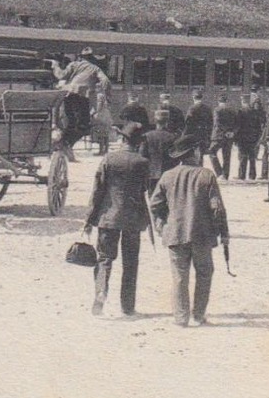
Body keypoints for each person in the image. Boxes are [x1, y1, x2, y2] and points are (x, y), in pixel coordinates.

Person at [149, 133, 229, 328]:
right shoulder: (206, 175)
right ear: (194, 152)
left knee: (179, 276)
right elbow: (217, 208)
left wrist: (161, 224)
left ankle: (181, 317)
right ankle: (198, 315)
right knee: (204, 273)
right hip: (201, 234)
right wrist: (224, 233)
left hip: (175, 234)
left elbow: (154, 205)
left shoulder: (167, 176)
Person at [82, 121, 151, 317]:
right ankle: (127, 307)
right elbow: (144, 188)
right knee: (131, 262)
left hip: (108, 217)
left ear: (122, 139)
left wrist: (89, 219)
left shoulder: (109, 159)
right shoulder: (142, 162)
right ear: (138, 143)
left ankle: (101, 292)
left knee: (104, 258)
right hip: (133, 219)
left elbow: (98, 190)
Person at [50, 47, 112, 157]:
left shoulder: (74, 65)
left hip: (68, 95)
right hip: (82, 96)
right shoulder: (95, 68)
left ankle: (64, 143)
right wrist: (105, 94)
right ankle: (66, 143)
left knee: (72, 123)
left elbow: (61, 75)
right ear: (91, 58)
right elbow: (105, 81)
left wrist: (55, 66)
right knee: (84, 126)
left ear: (80, 57)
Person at [141, 107, 178, 194]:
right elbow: (176, 157)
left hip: (151, 173)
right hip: (168, 173)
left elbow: (142, 155)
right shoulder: (173, 137)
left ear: (155, 120)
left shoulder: (147, 136)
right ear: (167, 122)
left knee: (153, 199)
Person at [234, 93, 263, 181]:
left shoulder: (240, 111)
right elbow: (259, 127)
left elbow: (237, 126)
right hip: (253, 138)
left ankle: (242, 175)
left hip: (242, 138)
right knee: (252, 158)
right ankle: (252, 175)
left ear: (243, 101)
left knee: (243, 157)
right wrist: (258, 138)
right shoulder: (255, 112)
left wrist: (236, 139)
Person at [210, 93, 238, 180]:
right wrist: (232, 132)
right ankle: (226, 175)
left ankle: (219, 173)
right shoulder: (233, 110)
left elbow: (217, 123)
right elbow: (237, 124)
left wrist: (224, 132)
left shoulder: (217, 110)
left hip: (219, 136)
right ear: (226, 101)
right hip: (229, 137)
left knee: (211, 152)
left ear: (218, 101)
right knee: (227, 156)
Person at [183, 88, 213, 165]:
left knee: (194, 155)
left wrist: (184, 136)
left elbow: (188, 123)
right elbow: (211, 123)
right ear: (202, 97)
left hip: (194, 135)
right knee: (201, 155)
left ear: (193, 97)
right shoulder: (208, 108)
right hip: (204, 134)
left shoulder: (192, 108)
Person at [91, 90, 114, 155]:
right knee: (106, 136)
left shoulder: (99, 103)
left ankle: (101, 151)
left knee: (101, 135)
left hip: (101, 119)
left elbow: (97, 110)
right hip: (107, 117)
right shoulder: (106, 105)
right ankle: (106, 150)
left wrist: (92, 114)